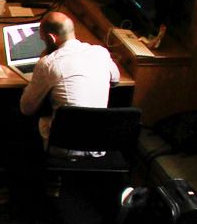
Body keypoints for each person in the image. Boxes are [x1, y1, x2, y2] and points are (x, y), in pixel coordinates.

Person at [17, 9, 120, 144]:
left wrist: (42, 63)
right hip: (97, 144)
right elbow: (115, 80)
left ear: (52, 38)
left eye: (43, 39)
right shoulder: (100, 53)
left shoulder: (48, 63)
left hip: (62, 145)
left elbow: (27, 109)